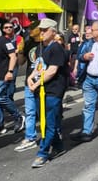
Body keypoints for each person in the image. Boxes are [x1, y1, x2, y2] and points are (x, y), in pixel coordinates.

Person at [27, 18, 68, 168]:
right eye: (41, 30)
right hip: (41, 90)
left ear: (53, 31)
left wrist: (36, 83)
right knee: (46, 121)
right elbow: (39, 66)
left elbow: (52, 70)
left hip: (52, 91)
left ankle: (43, 153)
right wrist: (30, 78)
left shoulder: (56, 48)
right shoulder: (42, 47)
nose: (42, 32)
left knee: (47, 124)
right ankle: (59, 146)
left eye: (45, 30)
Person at [71, 21, 98, 143]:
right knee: (88, 106)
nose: (90, 32)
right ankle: (86, 131)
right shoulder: (89, 43)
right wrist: (84, 57)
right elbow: (79, 56)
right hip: (89, 79)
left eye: (93, 30)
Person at [0, 20, 24, 135]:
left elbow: (13, 56)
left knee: (0, 98)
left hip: (3, 75)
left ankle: (19, 117)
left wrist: (10, 72)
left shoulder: (4, 41)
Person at [14, 21, 42, 151]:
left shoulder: (45, 43)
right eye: (29, 28)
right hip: (28, 82)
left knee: (44, 111)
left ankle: (50, 134)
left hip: (43, 82)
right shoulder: (28, 42)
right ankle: (30, 137)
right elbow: (21, 62)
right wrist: (20, 51)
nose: (29, 30)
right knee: (30, 112)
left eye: (32, 28)